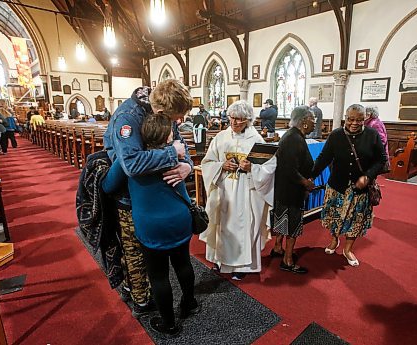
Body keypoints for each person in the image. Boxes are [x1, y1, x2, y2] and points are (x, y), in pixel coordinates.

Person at [103, 79, 193, 319]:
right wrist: (173, 154)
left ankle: (159, 306)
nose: (178, 123)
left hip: (154, 205)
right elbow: (130, 164)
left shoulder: (162, 116)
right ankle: (141, 298)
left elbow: (183, 148)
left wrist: (187, 167)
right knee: (135, 255)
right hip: (130, 196)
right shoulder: (127, 118)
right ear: (162, 112)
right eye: (176, 119)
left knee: (158, 267)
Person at [199, 100, 275, 280]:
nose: (234, 123)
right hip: (224, 189)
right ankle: (221, 261)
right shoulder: (221, 137)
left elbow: (270, 166)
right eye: (231, 118)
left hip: (247, 191)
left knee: (245, 226)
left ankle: (243, 266)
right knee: (222, 225)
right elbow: (207, 163)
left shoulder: (256, 140)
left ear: (248, 120)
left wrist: (252, 169)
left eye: (239, 119)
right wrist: (221, 165)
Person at [312, 104, 387, 267]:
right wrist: (310, 176)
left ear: (365, 119)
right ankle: (334, 240)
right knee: (334, 217)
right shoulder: (336, 135)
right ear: (345, 118)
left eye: (359, 120)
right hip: (337, 185)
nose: (354, 123)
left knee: (355, 220)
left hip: (360, 188)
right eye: (351, 119)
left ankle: (348, 249)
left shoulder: (372, 135)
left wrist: (368, 176)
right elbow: (324, 158)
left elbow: (381, 159)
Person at [270, 106, 315, 274]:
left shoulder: (293, 136)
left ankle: (277, 248)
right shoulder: (294, 139)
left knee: (283, 221)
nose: (314, 123)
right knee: (293, 226)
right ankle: (287, 260)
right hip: (291, 191)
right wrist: (306, 183)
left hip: (285, 190)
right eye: (312, 120)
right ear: (303, 122)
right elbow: (289, 169)